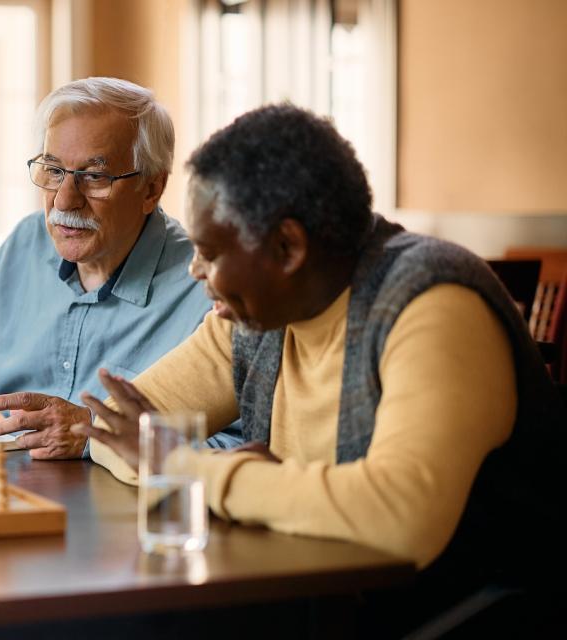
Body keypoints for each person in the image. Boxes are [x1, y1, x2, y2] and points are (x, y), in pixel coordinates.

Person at [75, 104, 565, 633]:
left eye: (211, 253)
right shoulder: (255, 317)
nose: (197, 272)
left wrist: (194, 469)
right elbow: (115, 431)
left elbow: (399, 519)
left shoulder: (432, 303)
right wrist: (208, 471)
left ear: (287, 248)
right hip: (318, 601)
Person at [0, 77, 240, 459]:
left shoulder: (208, 292)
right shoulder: (25, 245)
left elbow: (234, 447)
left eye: (94, 177)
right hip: (12, 498)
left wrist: (92, 437)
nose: (65, 200)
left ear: (152, 189)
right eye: (53, 171)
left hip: (121, 516)